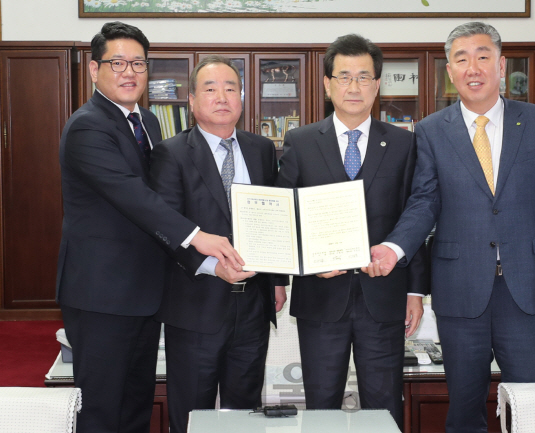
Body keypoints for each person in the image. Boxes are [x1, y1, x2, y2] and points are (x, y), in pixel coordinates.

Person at [363, 22, 535, 432]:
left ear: (501, 66)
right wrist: (394, 248)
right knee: (464, 405)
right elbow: (424, 201)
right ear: (450, 70)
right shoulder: (429, 130)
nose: (473, 67)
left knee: (533, 401)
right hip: (460, 287)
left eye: (483, 56)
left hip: (528, 284)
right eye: (462, 59)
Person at [56, 23, 243, 433]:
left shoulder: (146, 122)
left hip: (143, 293)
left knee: (137, 402)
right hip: (101, 295)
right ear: (93, 70)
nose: (129, 72)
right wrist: (199, 238)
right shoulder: (87, 126)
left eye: (137, 63)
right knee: (103, 409)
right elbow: (135, 198)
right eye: (117, 62)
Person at [275, 34, 428, 428]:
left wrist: (415, 290)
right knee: (321, 404)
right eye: (344, 76)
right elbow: (284, 216)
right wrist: (308, 263)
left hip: (385, 298)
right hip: (321, 297)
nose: (354, 86)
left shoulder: (403, 143)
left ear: (378, 85)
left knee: (384, 406)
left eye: (364, 77)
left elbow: (415, 215)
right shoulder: (301, 141)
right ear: (327, 84)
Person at [149, 55, 288, 433]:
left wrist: (277, 279)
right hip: (197, 305)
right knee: (192, 413)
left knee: (244, 413)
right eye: (210, 89)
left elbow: (270, 219)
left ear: (242, 99)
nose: (222, 97)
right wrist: (214, 266)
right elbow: (165, 229)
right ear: (192, 101)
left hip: (253, 307)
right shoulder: (170, 154)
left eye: (231, 88)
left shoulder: (261, 149)